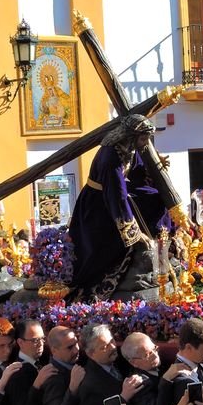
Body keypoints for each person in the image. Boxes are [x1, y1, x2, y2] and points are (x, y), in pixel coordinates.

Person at [68, 114, 166, 301]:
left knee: (156, 198)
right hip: (98, 206)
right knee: (107, 249)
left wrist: (155, 165)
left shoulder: (127, 147)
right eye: (143, 139)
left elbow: (137, 168)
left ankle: (162, 240)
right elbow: (117, 197)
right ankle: (92, 292)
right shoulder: (111, 157)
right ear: (131, 136)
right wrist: (135, 234)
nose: (146, 143)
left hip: (113, 196)